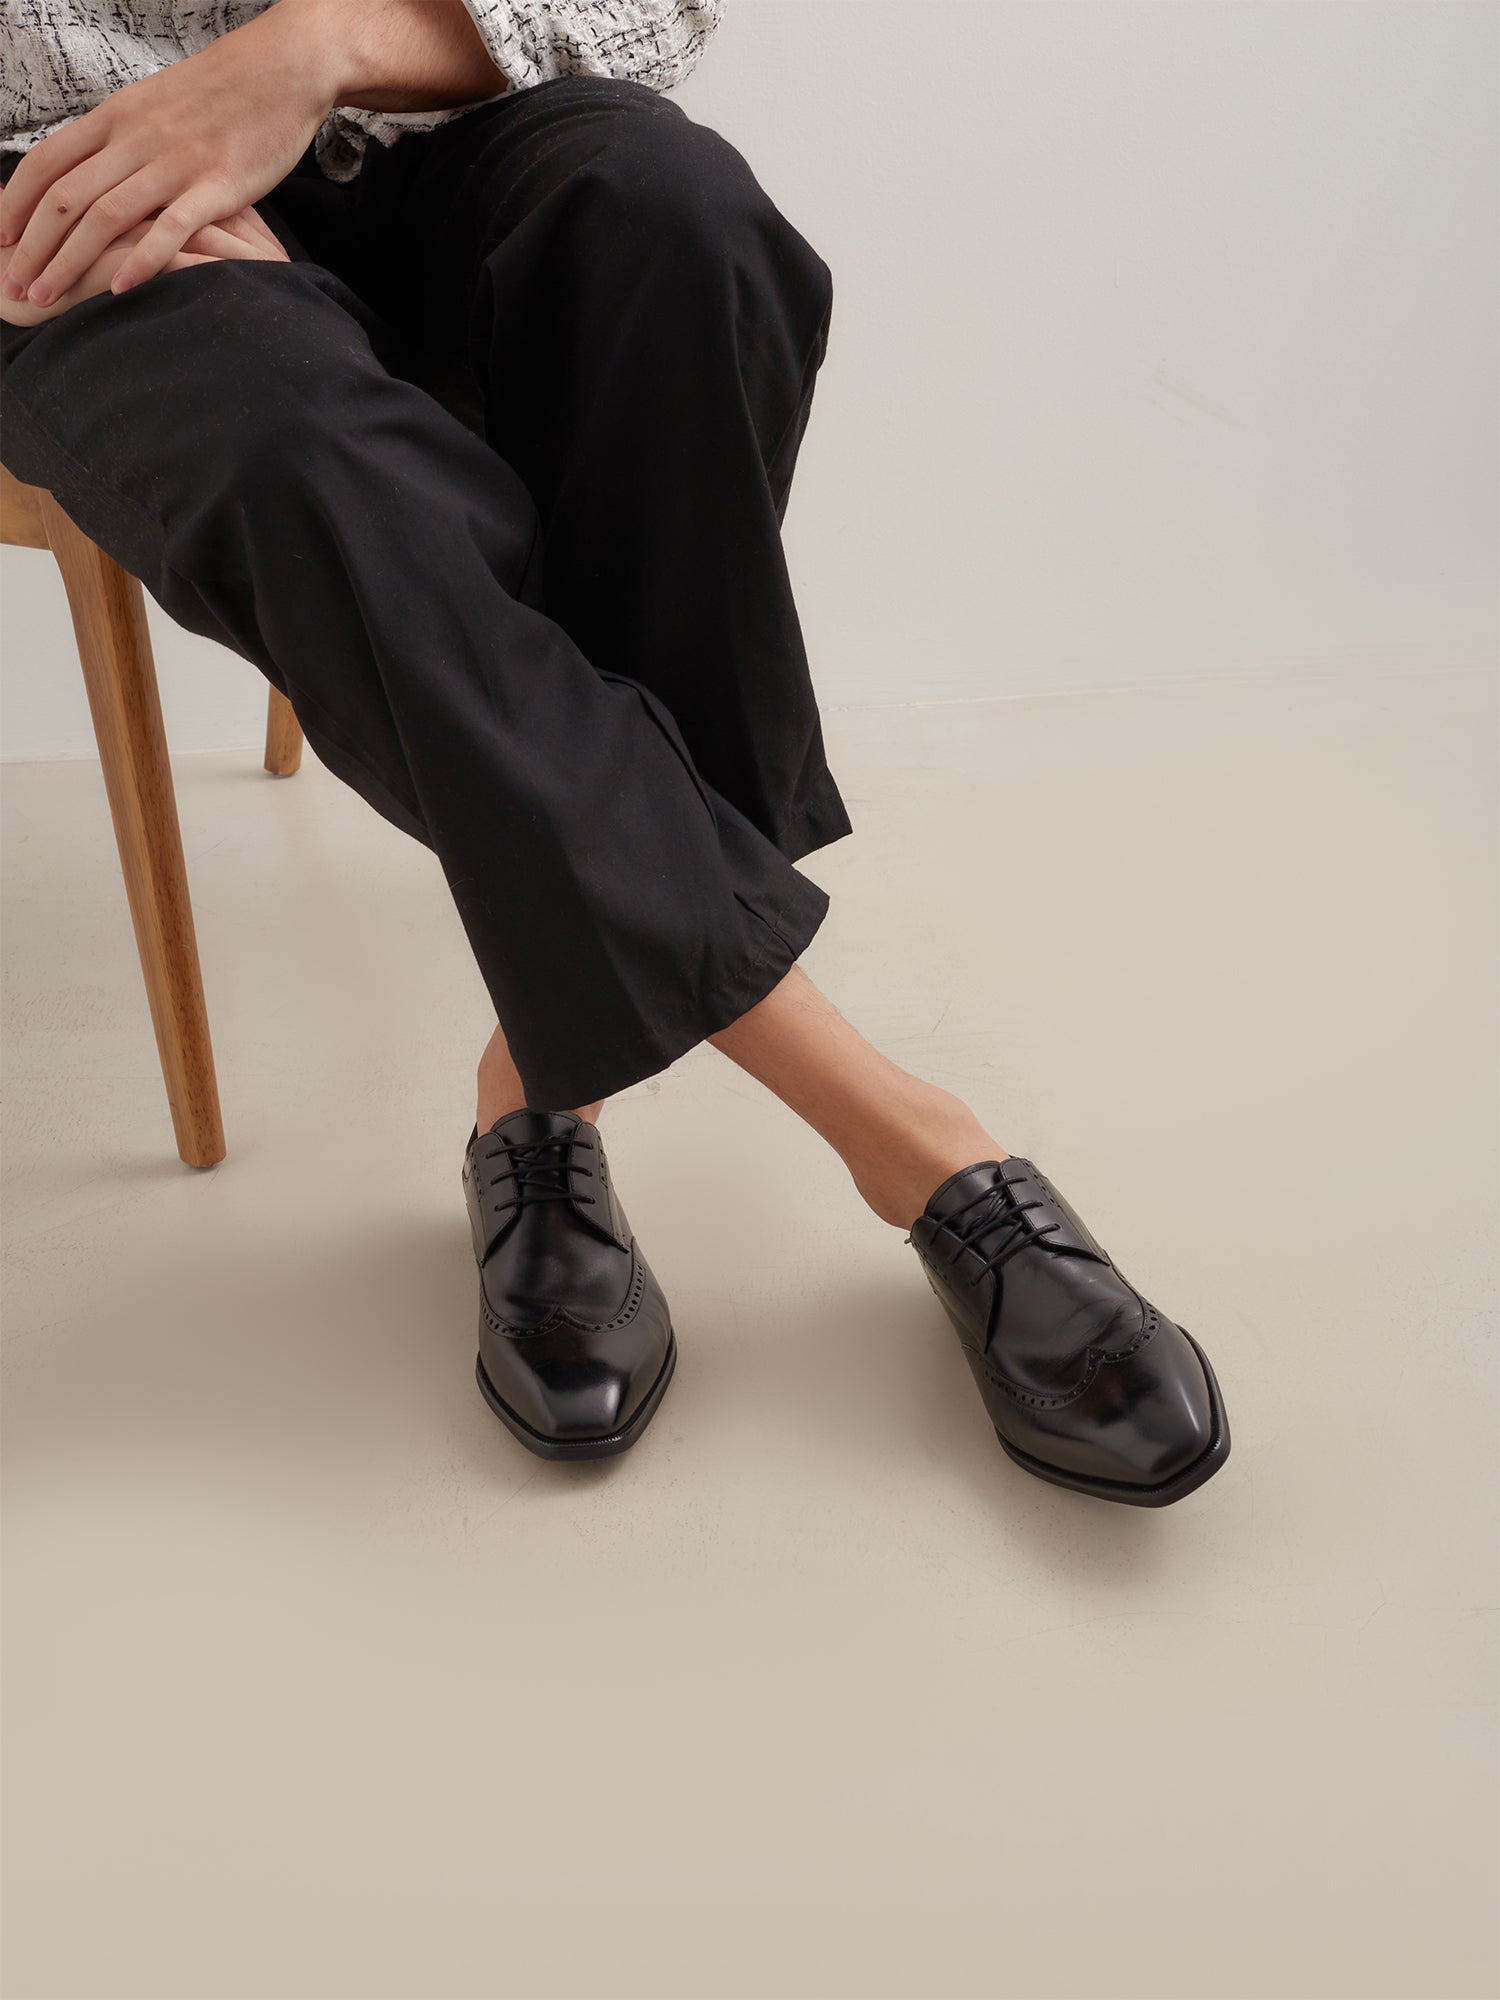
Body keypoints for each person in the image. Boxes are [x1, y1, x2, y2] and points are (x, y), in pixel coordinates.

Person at [0, 0, 1229, 1503]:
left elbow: (649, 10)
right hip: (60, 201)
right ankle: (911, 1140)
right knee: (298, 450)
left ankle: (538, 1078)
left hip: (411, 115)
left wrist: (306, 51)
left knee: (682, 224)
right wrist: (103, 174)